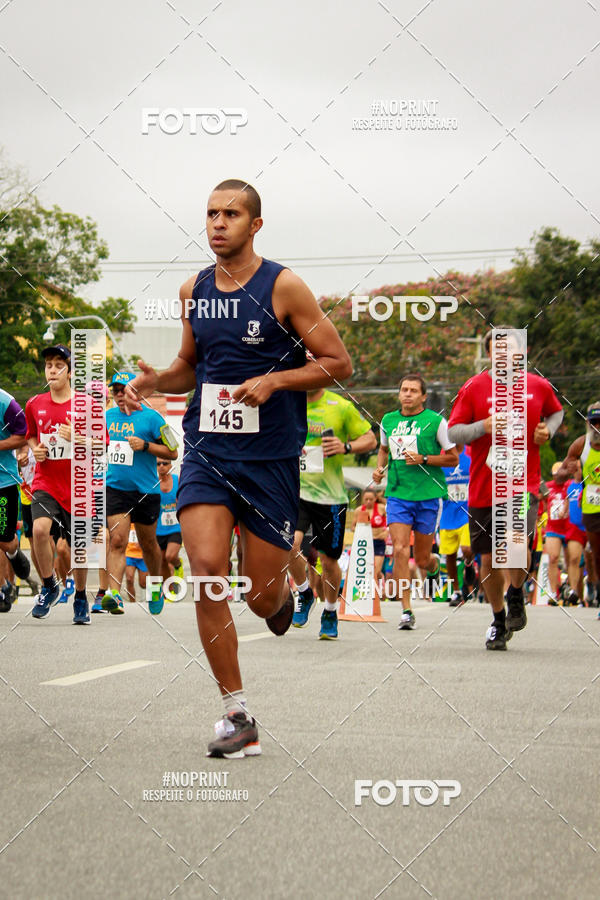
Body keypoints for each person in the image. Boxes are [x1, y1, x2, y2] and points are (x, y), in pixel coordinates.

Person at [124, 179, 352, 758]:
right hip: (208, 451)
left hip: (271, 458)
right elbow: (187, 368)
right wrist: (153, 384)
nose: (218, 222)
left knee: (257, 595)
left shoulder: (285, 286)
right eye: (210, 213)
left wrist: (276, 379)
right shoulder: (193, 289)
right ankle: (237, 712)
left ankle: (280, 598)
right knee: (204, 569)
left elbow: (338, 362)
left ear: (255, 225)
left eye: (231, 214)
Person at [447, 328, 563, 650]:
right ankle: (499, 618)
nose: (502, 354)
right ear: (488, 354)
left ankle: (516, 595)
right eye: (496, 349)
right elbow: (454, 433)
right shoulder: (473, 388)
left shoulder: (537, 386)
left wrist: (548, 431)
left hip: (521, 482)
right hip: (484, 486)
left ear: (520, 353)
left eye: (509, 348)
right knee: (487, 560)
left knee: (515, 542)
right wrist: (482, 427)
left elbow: (556, 412)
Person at [373, 375, 459, 629]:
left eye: (413, 391)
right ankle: (406, 610)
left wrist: (423, 458)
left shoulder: (436, 421)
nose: (407, 394)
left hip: (428, 496)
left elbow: (453, 458)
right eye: (403, 390)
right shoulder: (388, 420)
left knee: (421, 558)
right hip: (398, 494)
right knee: (399, 549)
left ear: (423, 396)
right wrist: (380, 469)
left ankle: (433, 567)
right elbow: (383, 450)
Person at [289, 389, 376, 638]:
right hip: (296, 492)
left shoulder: (340, 406)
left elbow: (369, 439)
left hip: (331, 498)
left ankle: (330, 610)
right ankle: (305, 593)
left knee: (329, 560)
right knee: (287, 544)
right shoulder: (286, 400)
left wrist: (345, 446)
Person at [24, 345, 92, 623]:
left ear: (70, 372)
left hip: (78, 484)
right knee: (40, 529)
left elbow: (103, 445)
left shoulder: (86, 405)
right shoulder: (34, 403)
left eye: (58, 365)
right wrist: (35, 449)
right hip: (46, 481)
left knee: (79, 548)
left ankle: (81, 596)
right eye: (48, 365)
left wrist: (77, 438)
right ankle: (50, 584)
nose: (52, 370)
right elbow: (30, 434)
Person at [103, 372, 177, 615]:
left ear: (136, 392)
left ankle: (155, 587)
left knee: (148, 544)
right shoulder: (107, 417)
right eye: (115, 391)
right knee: (117, 540)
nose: (119, 395)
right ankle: (114, 594)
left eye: (124, 389)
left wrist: (145, 445)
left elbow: (173, 451)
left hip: (146, 490)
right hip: (116, 489)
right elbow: (94, 443)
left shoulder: (153, 418)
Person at [555, 401, 600, 615]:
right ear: (588, 424)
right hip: (591, 509)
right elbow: (559, 476)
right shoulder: (580, 445)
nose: (598, 428)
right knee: (596, 555)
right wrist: (568, 470)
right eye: (594, 423)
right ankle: (597, 592)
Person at [0, 388, 31, 612]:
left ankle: (13, 552)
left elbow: (23, 434)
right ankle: (2, 588)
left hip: (3, 481)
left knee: (3, 538)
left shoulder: (6, 402)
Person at [439, 445, 476, 606]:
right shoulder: (441, 457)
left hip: (467, 513)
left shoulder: (470, 454)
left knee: (467, 548)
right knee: (450, 555)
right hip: (447, 514)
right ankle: (456, 592)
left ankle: (468, 562)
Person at [349, 488, 388, 601]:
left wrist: (386, 531)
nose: (368, 502)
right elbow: (352, 527)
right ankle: (369, 591)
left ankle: (376, 589)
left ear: (375, 499)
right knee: (366, 569)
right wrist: (361, 530)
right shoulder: (359, 510)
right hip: (365, 544)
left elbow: (392, 519)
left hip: (378, 542)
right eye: (366, 499)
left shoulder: (381, 508)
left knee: (375, 569)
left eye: (371, 499)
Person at [543, 461, 570, 602]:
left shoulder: (569, 485)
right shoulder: (547, 486)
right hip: (553, 528)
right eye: (554, 475)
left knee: (572, 560)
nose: (556, 478)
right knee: (552, 558)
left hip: (569, 526)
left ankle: (572, 590)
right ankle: (553, 593)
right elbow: (539, 499)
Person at [156, 461, 184, 582]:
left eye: (165, 463)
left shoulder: (177, 480)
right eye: (158, 464)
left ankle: (177, 565)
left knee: (170, 556)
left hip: (176, 527)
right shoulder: (153, 483)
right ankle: (169, 589)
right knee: (162, 561)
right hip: (159, 528)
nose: (161, 466)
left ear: (171, 465)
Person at [124, 526, 148, 602]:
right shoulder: (127, 522)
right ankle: (132, 602)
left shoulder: (144, 522)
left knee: (143, 583)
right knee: (129, 578)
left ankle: (156, 593)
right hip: (129, 554)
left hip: (143, 556)